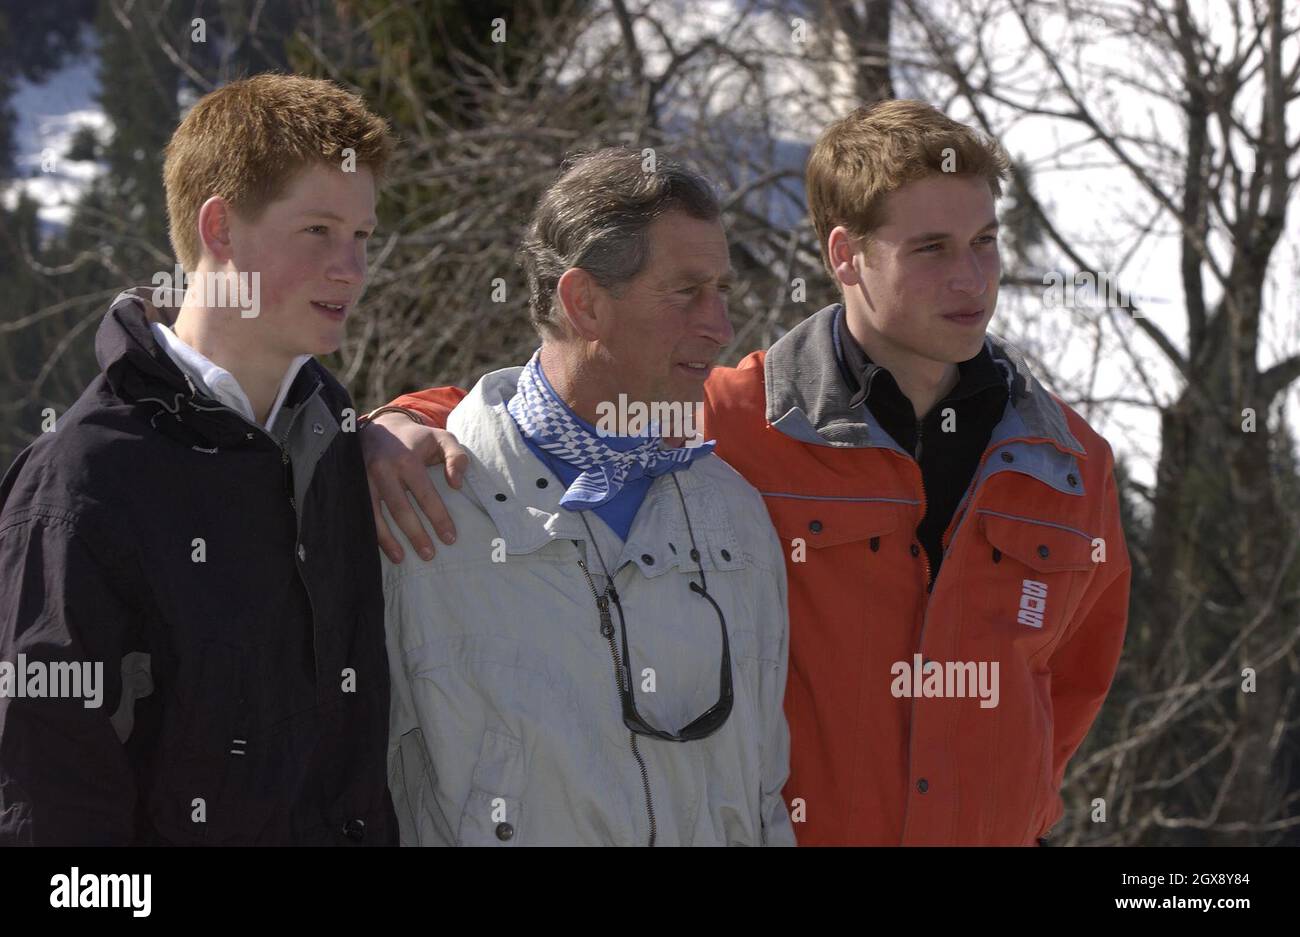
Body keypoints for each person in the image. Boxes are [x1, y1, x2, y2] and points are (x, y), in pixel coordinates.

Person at [364, 101, 1131, 845]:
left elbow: (1072, 687)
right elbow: (546, 414)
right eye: (931, 248)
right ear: (845, 256)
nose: (971, 278)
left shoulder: (1069, 463)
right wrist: (393, 423)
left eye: (986, 242)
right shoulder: (732, 421)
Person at [0, 74, 399, 845]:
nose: (351, 268)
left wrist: (402, 425)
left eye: (363, 236)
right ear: (220, 230)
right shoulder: (80, 485)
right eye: (318, 230)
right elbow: (50, 826)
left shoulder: (335, 443)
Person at [383, 148, 795, 845]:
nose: (721, 326)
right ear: (584, 302)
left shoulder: (737, 516)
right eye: (686, 292)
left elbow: (765, 796)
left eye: (722, 291)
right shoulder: (422, 510)